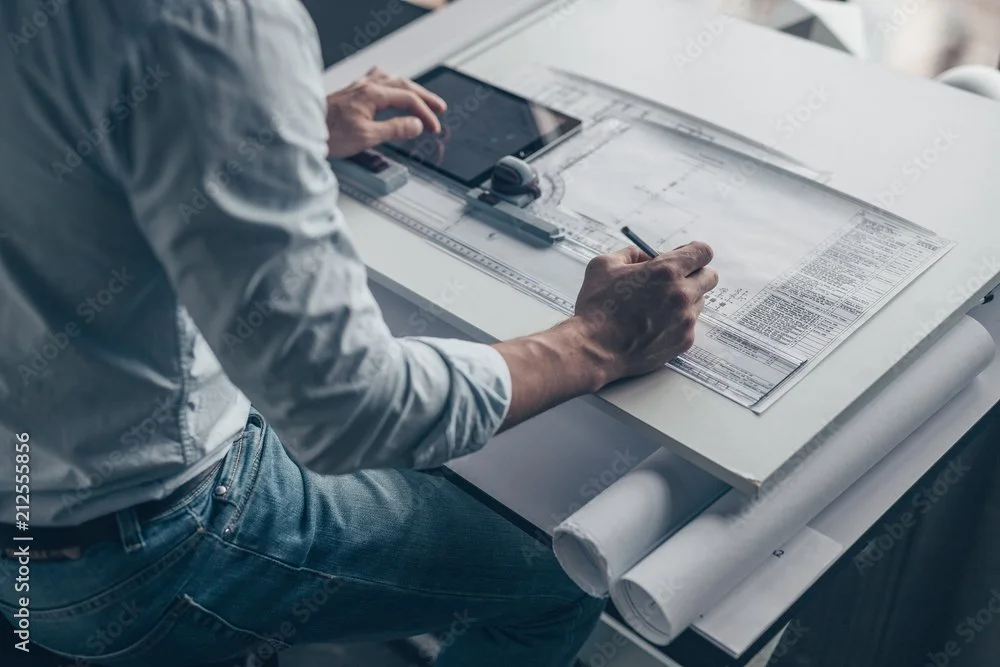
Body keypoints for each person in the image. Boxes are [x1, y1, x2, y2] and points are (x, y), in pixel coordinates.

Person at [0, 2, 718, 666]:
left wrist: (245, 125)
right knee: (558, 583)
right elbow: (352, 412)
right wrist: (599, 339)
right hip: (125, 550)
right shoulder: (208, 20)